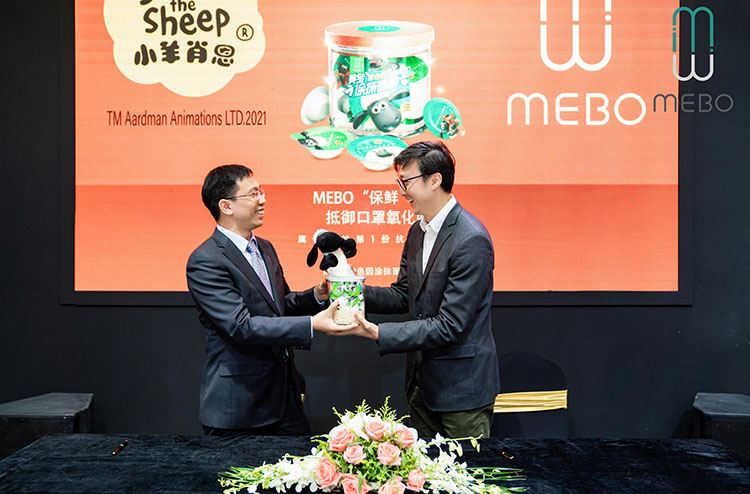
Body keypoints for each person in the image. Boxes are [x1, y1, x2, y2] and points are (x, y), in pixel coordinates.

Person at [335, 141, 500, 439]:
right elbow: (403, 295)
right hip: (420, 386)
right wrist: (349, 288)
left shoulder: (470, 239)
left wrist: (379, 333)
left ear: (434, 180)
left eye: (406, 181)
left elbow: (450, 325)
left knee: (467, 469)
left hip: (462, 391)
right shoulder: (417, 231)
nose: (402, 191)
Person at [186, 164, 353, 437]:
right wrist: (312, 324)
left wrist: (316, 295)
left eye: (261, 191)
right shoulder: (206, 260)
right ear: (226, 206)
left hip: (285, 399)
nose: (262, 199)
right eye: (253, 194)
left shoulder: (265, 247)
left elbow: (279, 306)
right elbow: (241, 326)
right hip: (240, 407)